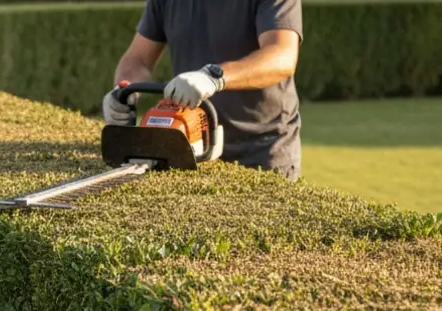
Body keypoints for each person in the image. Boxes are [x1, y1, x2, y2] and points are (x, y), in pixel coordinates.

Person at [103, 0, 304, 180]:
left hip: (261, 152)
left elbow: (282, 55)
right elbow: (138, 59)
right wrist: (123, 90)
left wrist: (214, 77)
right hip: (191, 146)